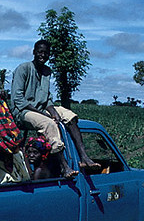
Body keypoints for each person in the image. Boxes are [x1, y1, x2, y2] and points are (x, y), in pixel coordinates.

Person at [10, 39, 99, 179]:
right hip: (23, 111)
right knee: (49, 124)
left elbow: (46, 98)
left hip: (39, 109)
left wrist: (53, 112)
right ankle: (64, 166)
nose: (43, 55)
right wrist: (42, 114)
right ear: (34, 52)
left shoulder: (47, 71)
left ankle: (83, 157)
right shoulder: (24, 68)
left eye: (46, 53)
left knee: (69, 115)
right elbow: (18, 98)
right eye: (40, 52)